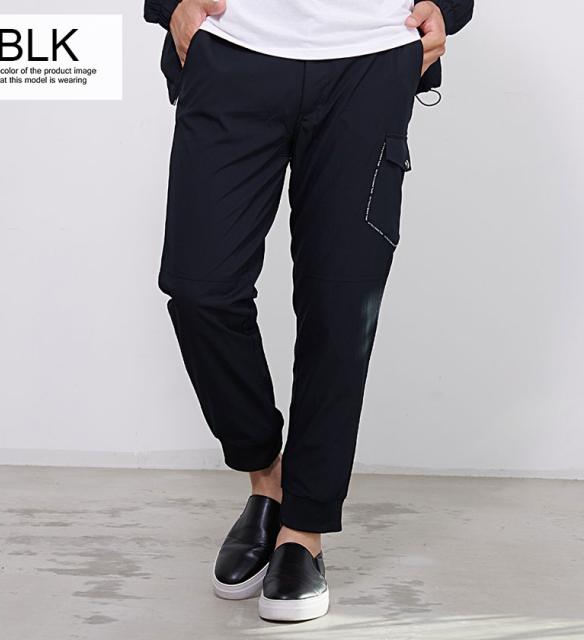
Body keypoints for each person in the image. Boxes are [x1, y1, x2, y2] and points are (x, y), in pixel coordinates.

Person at [144, 0, 473, 623]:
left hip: (370, 54)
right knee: (200, 289)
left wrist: (448, 7)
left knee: (340, 307)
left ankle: (304, 529)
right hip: (233, 46)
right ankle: (267, 480)